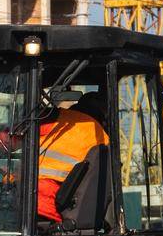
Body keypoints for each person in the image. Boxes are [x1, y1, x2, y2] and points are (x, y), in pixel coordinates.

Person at [36, 93, 110, 226]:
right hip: (56, 210)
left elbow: (8, 138)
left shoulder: (58, 119)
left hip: (34, 204)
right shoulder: (102, 139)